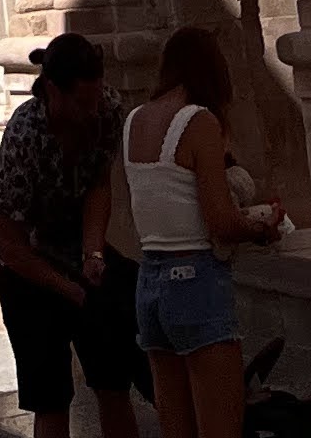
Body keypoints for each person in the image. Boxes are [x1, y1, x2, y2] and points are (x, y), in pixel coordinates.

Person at [121, 30, 284, 438]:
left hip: (150, 282)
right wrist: (262, 228)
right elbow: (220, 222)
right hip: (195, 279)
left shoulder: (134, 120)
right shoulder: (198, 121)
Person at [0, 31, 141, 438]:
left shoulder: (106, 111)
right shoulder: (24, 137)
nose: (91, 112)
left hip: (76, 253)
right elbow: (10, 246)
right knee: (51, 400)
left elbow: (98, 185)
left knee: (113, 383)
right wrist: (67, 289)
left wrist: (94, 253)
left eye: (96, 100)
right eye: (81, 103)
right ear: (53, 91)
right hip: (29, 272)